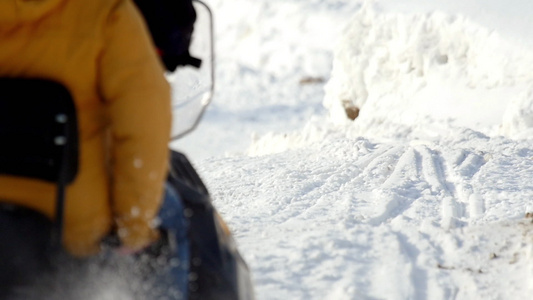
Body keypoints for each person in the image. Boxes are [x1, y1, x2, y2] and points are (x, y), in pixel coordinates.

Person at [0, 0, 170, 259]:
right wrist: (133, 229)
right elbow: (145, 124)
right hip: (73, 235)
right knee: (174, 216)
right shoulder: (106, 13)